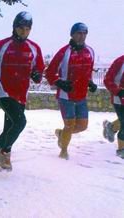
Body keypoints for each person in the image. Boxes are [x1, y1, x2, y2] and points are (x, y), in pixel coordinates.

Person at [0, 11, 45, 171]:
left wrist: (37, 74)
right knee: (20, 122)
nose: (24, 32)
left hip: (21, 94)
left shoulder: (34, 48)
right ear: (15, 27)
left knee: (10, 127)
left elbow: (39, 69)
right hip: (3, 92)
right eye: (21, 28)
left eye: (28, 29)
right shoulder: (2, 45)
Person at [45, 22, 97, 159]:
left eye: (84, 33)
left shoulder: (90, 51)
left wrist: (90, 82)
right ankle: (63, 151)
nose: (82, 36)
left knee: (82, 126)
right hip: (65, 95)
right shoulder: (64, 52)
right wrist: (60, 83)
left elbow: (88, 71)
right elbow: (49, 72)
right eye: (79, 33)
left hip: (81, 95)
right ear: (72, 34)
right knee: (69, 125)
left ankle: (62, 135)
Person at [103, 55, 124, 158]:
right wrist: (118, 91)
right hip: (119, 99)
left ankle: (110, 127)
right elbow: (107, 79)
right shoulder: (120, 62)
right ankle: (121, 150)